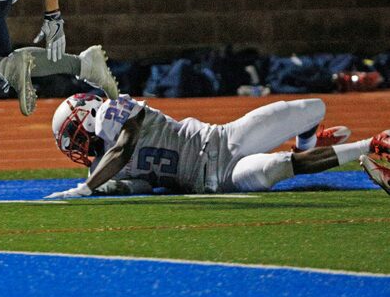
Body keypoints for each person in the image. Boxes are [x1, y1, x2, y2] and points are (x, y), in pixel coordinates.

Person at [45, 92, 390, 198]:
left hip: (222, 138)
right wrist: (108, 188)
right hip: (216, 179)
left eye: (75, 133)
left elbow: (124, 146)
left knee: (312, 108)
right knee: (275, 167)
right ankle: (368, 146)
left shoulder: (114, 112)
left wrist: (87, 188)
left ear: (89, 115)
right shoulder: (100, 168)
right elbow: (139, 185)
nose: (80, 144)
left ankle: (308, 144)